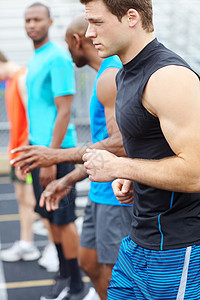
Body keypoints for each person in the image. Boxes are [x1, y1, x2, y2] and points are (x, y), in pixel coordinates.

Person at [78, 0, 200, 299]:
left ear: (131, 17)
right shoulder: (125, 74)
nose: (89, 32)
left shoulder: (167, 76)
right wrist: (136, 176)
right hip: (136, 242)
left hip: (176, 248)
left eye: (97, 22)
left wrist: (123, 167)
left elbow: (197, 172)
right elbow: (159, 148)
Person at [11, 14, 133, 300]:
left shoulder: (111, 74)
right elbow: (103, 140)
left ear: (76, 41)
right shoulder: (101, 74)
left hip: (115, 195)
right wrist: (68, 178)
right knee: (88, 262)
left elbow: (120, 143)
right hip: (96, 189)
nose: (68, 50)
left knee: (113, 273)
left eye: (69, 44)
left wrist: (56, 156)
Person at [22, 3, 87, 300]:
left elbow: (64, 111)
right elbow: (39, 110)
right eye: (27, 20)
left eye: (37, 19)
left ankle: (75, 284)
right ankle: (64, 273)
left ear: (50, 21)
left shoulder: (59, 57)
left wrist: (51, 155)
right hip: (40, 151)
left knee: (64, 220)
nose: (31, 24)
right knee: (49, 217)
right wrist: (31, 147)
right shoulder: (36, 57)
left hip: (57, 153)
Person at [0, 51, 40, 262]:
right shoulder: (9, 82)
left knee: (35, 201)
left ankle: (55, 248)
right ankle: (27, 243)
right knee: (22, 198)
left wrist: (24, 152)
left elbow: (33, 120)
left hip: (26, 152)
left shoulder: (23, 78)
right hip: (17, 152)